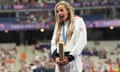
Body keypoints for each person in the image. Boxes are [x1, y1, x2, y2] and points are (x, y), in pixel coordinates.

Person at [51, 1, 87, 72]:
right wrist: (55, 57)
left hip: (73, 59)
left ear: (67, 10)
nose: (59, 13)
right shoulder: (58, 24)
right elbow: (53, 42)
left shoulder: (78, 21)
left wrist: (70, 57)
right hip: (60, 60)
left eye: (61, 10)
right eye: (57, 11)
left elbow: (82, 41)